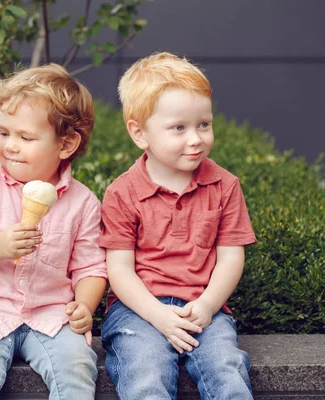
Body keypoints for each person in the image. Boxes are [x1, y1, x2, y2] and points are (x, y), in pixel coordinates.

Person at [0, 64, 107, 400]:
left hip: (51, 315)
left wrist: (84, 306)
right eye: (4, 133)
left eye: (25, 137)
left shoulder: (83, 203)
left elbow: (91, 267)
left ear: (66, 144)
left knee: (77, 367)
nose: (10, 146)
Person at [100, 51, 256, 399]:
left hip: (203, 307)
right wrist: (157, 314)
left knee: (225, 367)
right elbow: (119, 269)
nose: (196, 138)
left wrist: (208, 305)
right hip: (138, 310)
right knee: (145, 370)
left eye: (203, 124)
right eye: (179, 128)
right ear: (140, 133)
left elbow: (231, 256)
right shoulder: (123, 192)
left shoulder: (223, 185)